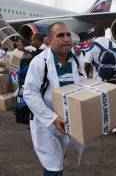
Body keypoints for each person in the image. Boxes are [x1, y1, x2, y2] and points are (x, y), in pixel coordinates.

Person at [23, 22, 86, 176]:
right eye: (60, 35)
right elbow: (30, 93)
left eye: (68, 35)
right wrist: (51, 118)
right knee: (53, 166)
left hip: (67, 122)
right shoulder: (39, 63)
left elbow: (83, 87)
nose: (66, 39)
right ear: (50, 40)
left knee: (59, 157)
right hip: (46, 123)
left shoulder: (76, 61)